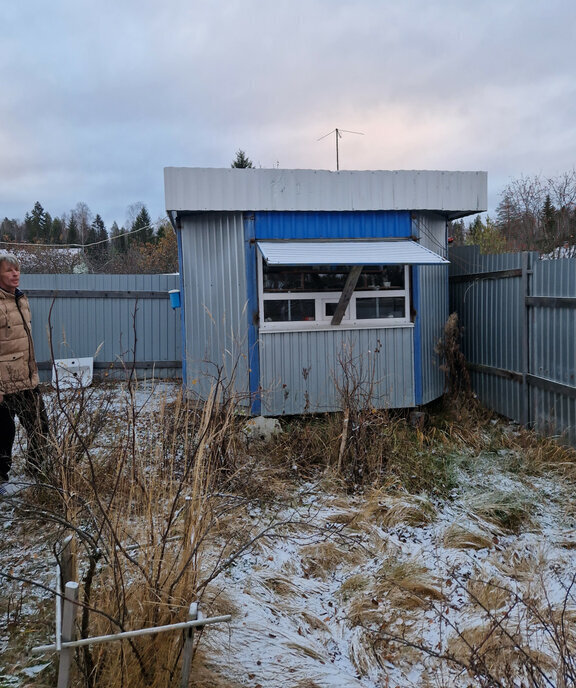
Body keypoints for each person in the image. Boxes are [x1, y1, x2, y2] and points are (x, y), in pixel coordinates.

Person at [0, 252, 49, 493]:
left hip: (27, 379)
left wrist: (33, 376)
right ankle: (1, 480)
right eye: (9, 270)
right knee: (3, 435)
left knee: (41, 426)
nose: (15, 273)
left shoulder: (21, 299)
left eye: (17, 269)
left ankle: (38, 470)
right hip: (3, 383)